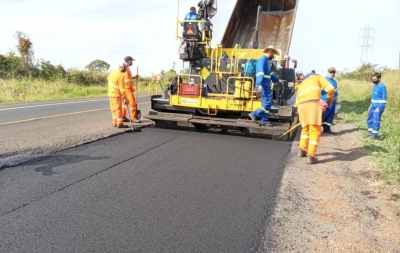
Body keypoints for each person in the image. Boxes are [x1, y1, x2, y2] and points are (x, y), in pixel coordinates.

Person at [296, 74, 334, 164]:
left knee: (305, 129)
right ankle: (311, 156)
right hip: (313, 105)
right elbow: (331, 88)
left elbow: (297, 101)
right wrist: (328, 100)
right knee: (314, 130)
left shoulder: (302, 83)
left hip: (301, 106)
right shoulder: (317, 77)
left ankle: (302, 151)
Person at [248, 45, 283, 126]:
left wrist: (278, 80)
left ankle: (264, 120)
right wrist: (260, 85)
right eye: (273, 53)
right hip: (263, 85)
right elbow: (260, 72)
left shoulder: (266, 61)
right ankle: (254, 114)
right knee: (267, 102)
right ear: (270, 52)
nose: (273, 55)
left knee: (268, 102)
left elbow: (270, 74)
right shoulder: (262, 59)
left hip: (265, 85)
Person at [107, 63, 129, 128]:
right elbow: (122, 89)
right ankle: (119, 124)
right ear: (122, 67)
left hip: (110, 94)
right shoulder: (121, 76)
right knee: (118, 109)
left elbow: (107, 78)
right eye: (125, 67)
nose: (126, 69)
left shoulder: (113, 72)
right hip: (116, 95)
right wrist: (124, 98)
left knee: (113, 109)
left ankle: (115, 122)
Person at [367, 72, 387, 139]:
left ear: (379, 78)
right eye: (373, 79)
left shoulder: (382, 87)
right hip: (372, 106)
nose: (373, 80)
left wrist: (379, 107)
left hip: (378, 107)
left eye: (375, 79)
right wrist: (370, 105)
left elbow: (384, 99)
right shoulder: (374, 86)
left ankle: (375, 135)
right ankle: (370, 132)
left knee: (376, 120)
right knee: (369, 119)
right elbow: (373, 98)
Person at [122, 56, 140, 123]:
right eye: (131, 61)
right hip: (127, 88)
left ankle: (123, 116)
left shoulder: (127, 68)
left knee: (125, 103)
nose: (132, 62)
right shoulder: (125, 68)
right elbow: (124, 79)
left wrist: (134, 77)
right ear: (129, 61)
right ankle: (133, 118)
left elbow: (128, 79)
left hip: (127, 88)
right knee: (132, 103)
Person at [321, 67, 338, 134]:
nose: (332, 74)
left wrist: (336, 99)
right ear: (328, 72)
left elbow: (335, 91)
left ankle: (327, 129)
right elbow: (320, 91)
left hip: (333, 101)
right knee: (324, 114)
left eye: (333, 72)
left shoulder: (334, 81)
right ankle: (316, 128)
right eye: (331, 72)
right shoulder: (324, 80)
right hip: (326, 100)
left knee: (330, 115)